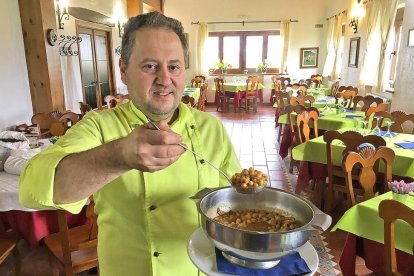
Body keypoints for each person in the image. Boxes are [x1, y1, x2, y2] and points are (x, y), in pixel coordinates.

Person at [19, 11, 241, 275]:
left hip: (202, 268)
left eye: (173, 66)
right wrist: (118, 156)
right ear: (123, 71)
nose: (164, 79)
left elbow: (236, 197)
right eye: (149, 66)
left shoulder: (211, 127)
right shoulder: (100, 125)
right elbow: (34, 187)